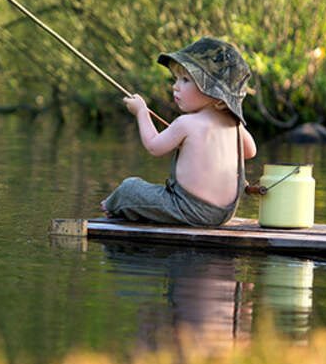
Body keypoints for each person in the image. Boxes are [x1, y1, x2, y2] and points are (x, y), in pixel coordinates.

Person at [101, 37, 257, 226]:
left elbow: (153, 147)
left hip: (187, 209)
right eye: (176, 79)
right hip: (224, 214)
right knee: (143, 193)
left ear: (213, 91)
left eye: (185, 80)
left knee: (129, 188)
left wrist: (142, 112)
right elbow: (250, 151)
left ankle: (113, 205)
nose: (175, 87)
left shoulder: (186, 123)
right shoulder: (235, 126)